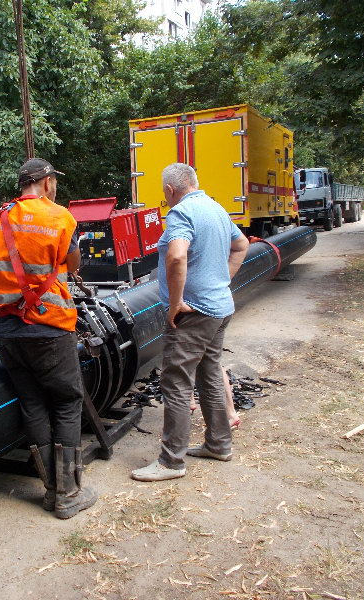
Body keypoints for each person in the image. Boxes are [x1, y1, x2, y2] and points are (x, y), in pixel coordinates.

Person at [0, 158, 97, 519]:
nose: (55, 186)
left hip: (7, 330)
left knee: (32, 403)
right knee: (66, 400)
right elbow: (72, 264)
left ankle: (51, 491)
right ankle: (68, 495)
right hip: (49, 327)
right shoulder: (59, 217)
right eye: (54, 180)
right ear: (45, 182)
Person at [132, 163, 249, 482]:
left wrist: (176, 302)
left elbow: (176, 256)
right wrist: (221, 281)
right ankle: (219, 444)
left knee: (177, 382)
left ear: (170, 190)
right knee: (209, 373)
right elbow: (241, 246)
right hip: (220, 307)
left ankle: (171, 462)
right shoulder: (216, 208)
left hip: (194, 313)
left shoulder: (181, 213)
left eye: (164, 192)